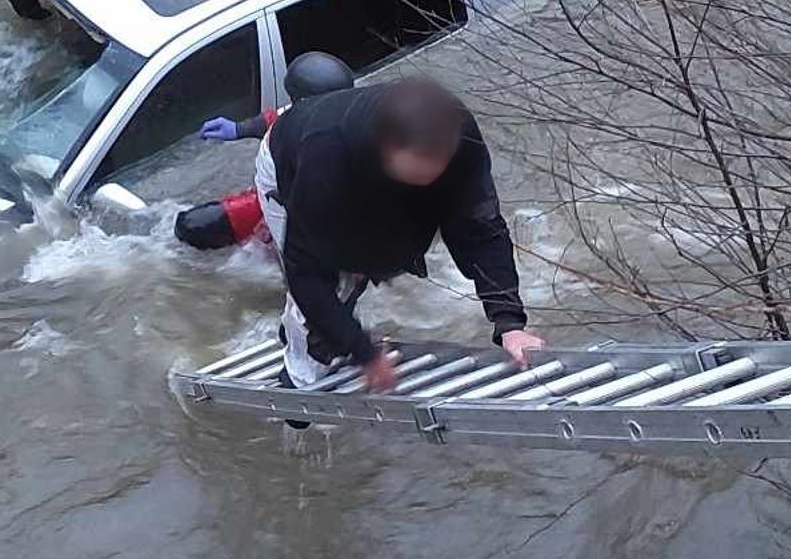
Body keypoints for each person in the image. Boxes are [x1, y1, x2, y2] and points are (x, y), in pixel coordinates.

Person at [265, 76, 542, 392]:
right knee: (325, 298)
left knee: (378, 257)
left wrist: (509, 323)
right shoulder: (325, 159)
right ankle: (298, 378)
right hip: (288, 158)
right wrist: (365, 354)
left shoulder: (458, 132)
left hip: (367, 168)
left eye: (438, 168)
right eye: (418, 172)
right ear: (386, 148)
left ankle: (336, 325)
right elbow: (305, 272)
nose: (431, 178)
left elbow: (482, 228)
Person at [173, 50, 357, 251]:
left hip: (314, 219)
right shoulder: (296, 119)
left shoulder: (358, 135)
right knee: (190, 225)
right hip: (272, 200)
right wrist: (239, 129)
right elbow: (276, 118)